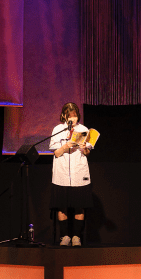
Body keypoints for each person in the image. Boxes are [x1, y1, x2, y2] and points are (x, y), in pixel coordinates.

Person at [49, 102, 94, 246]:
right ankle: (65, 237)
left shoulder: (83, 130)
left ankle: (76, 237)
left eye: (74, 116)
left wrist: (84, 148)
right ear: (64, 116)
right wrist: (65, 146)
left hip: (79, 174)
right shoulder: (57, 129)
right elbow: (56, 153)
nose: (72, 119)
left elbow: (87, 152)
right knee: (62, 206)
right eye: (69, 116)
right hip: (61, 174)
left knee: (79, 206)